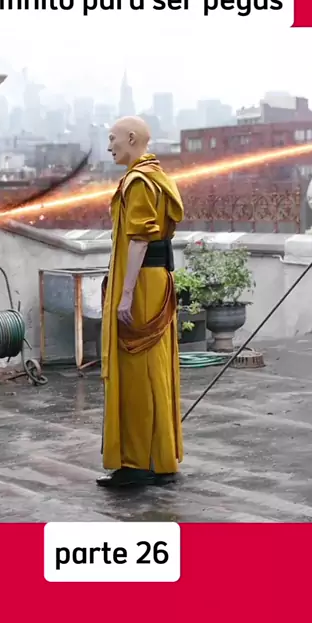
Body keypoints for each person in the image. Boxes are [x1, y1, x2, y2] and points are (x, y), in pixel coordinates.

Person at [98, 116, 185, 488]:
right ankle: (158, 458)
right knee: (154, 366)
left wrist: (127, 292)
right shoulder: (158, 177)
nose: (109, 146)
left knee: (138, 369)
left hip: (144, 284)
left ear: (131, 138)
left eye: (113, 138)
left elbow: (139, 239)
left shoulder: (138, 181)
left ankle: (138, 462)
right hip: (157, 279)